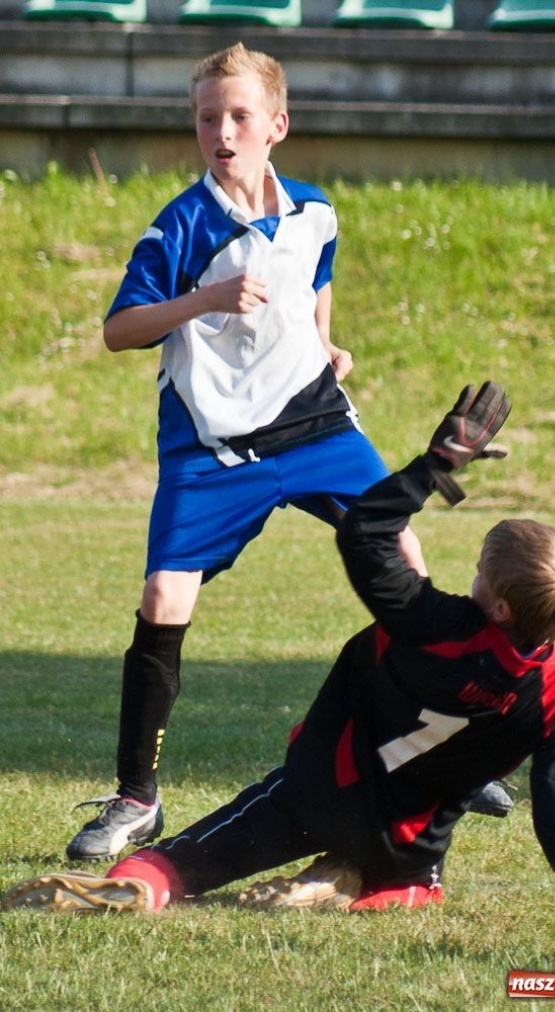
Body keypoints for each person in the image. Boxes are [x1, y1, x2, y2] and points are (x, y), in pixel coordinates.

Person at [66, 44, 508, 861]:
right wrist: (203, 299)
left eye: (238, 117)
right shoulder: (181, 224)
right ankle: (135, 799)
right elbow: (117, 330)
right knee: (164, 595)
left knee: (399, 548)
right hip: (213, 446)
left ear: (277, 124)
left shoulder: (315, 211)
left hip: (315, 425)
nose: (221, 132)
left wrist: (325, 343)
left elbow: (316, 278)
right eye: (206, 118)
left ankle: (442, 744)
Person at [6, 383, 555, 922]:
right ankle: (381, 885)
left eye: (480, 571)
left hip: (316, 792)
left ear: (496, 605)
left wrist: (435, 466)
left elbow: (365, 534)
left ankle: (145, 883)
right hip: (405, 844)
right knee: (413, 864)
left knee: (180, 861)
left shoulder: (431, 621)